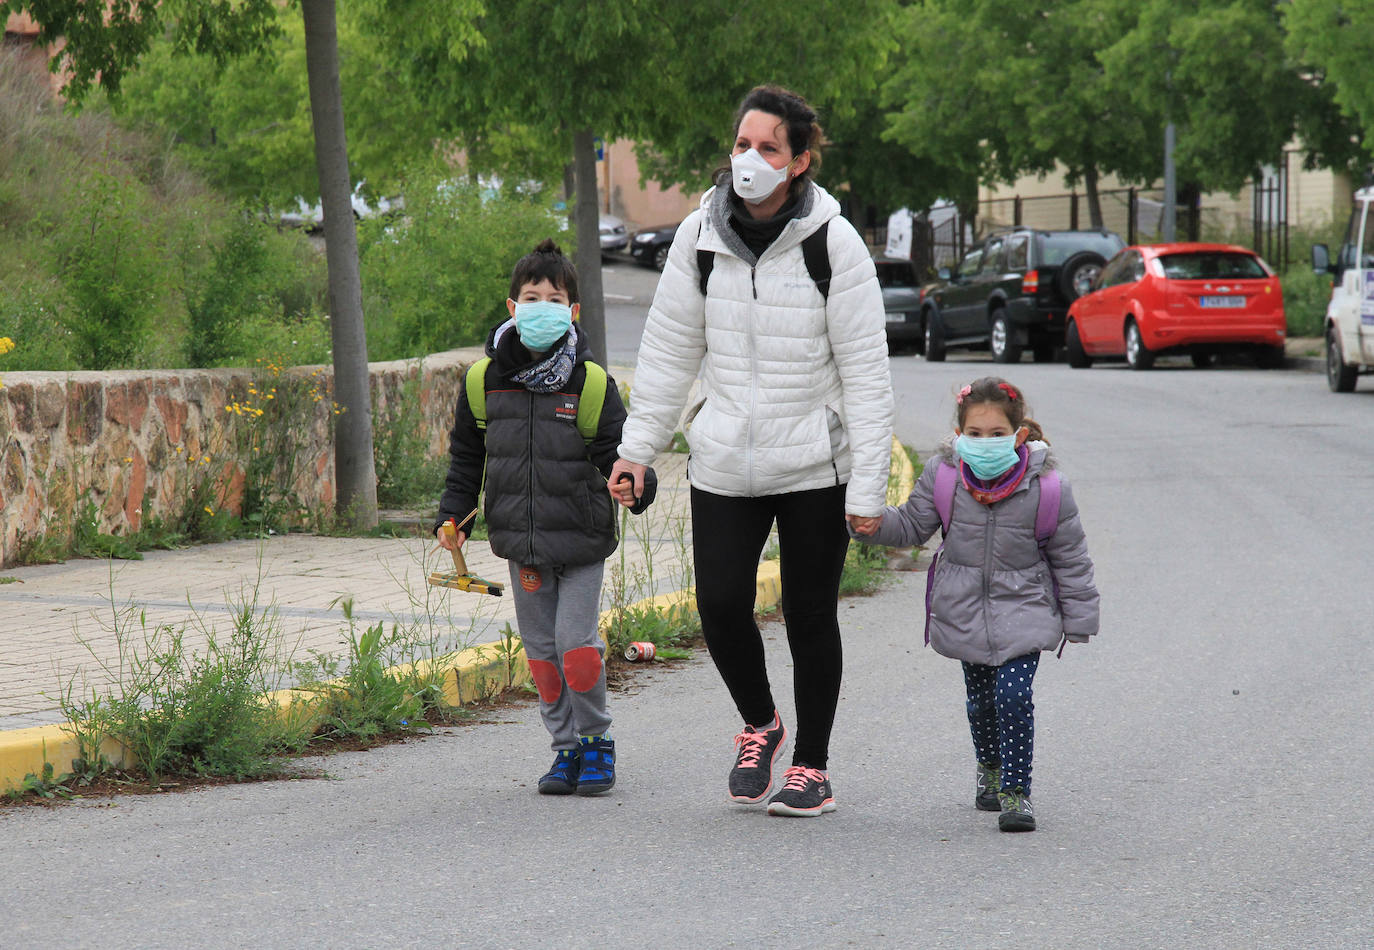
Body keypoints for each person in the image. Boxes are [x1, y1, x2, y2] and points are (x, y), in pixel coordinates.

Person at [609, 85, 893, 818]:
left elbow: (866, 375)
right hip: (724, 461)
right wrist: (636, 450)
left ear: (799, 161)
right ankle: (761, 723)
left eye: (768, 147)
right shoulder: (699, 236)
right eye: (742, 144)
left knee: (809, 615)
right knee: (722, 605)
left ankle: (813, 766)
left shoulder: (835, 242)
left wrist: (866, 487)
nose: (750, 159)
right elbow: (670, 350)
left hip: (813, 467)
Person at [436, 239, 655, 797]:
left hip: (581, 541)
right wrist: (453, 516)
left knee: (576, 649)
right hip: (522, 545)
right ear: (512, 307)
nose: (540, 306)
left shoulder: (592, 383)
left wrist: (635, 484)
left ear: (572, 312)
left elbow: (618, 453)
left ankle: (597, 745)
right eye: (530, 296)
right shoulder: (483, 382)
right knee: (542, 657)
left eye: (553, 298)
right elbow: (468, 458)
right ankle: (565, 751)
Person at [851, 377, 1099, 831]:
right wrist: (871, 524)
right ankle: (989, 768)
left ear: (1020, 435)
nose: (986, 444)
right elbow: (911, 526)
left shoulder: (1048, 488)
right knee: (981, 701)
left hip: (1026, 606)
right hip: (963, 607)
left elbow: (1071, 556)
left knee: (1013, 695)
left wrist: (1079, 616)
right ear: (960, 435)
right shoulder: (944, 477)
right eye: (976, 434)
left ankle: (1016, 792)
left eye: (998, 434)